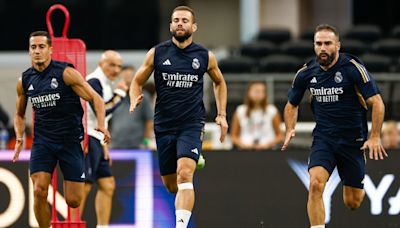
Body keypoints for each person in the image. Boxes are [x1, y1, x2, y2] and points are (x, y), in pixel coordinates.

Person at [129, 6, 228, 228]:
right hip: (164, 126)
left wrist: (222, 114)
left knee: (185, 175)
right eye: (176, 20)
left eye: (185, 20)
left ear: (193, 26)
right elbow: (136, 81)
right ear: (171, 26)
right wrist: (135, 96)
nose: (180, 23)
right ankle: (193, 159)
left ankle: (180, 225)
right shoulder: (157, 53)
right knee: (172, 185)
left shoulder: (204, 56)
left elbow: (219, 82)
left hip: (191, 124)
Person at [281, 24, 387, 228]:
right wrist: (289, 128)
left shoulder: (352, 68)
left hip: (353, 141)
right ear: (313, 46)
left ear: (338, 45)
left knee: (353, 202)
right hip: (324, 139)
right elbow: (291, 104)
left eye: (328, 43)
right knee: (314, 185)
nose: (323, 48)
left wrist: (374, 136)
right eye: (319, 43)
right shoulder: (306, 73)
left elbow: (377, 102)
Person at [13, 31, 110, 228]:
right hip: (43, 142)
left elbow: (96, 99)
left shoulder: (66, 73)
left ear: (50, 49)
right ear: (29, 51)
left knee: (73, 200)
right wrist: (19, 137)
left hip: (70, 141)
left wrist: (101, 124)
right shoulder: (24, 80)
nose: (37, 51)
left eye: (41, 47)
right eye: (33, 47)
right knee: (39, 190)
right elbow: (19, 114)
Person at [78, 50, 128, 227]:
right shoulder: (94, 81)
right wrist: (120, 95)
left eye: (119, 66)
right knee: (84, 186)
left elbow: (102, 119)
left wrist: (103, 145)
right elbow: (102, 109)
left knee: (107, 185)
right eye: (111, 65)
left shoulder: (105, 84)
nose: (116, 70)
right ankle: (73, 223)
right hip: (87, 137)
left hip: (96, 140)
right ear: (101, 64)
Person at [110, 66, 154, 149]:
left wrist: (146, 141)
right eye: (125, 78)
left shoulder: (142, 97)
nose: (128, 81)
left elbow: (149, 120)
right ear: (119, 78)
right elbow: (108, 120)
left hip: (137, 145)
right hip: (116, 145)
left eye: (130, 77)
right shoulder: (113, 98)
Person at [230, 81, 283, 150]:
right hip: (245, 151)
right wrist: (243, 145)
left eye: (260, 91)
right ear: (248, 93)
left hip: (268, 151)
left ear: (265, 94)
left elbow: (280, 135)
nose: (257, 94)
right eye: (255, 91)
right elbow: (233, 136)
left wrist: (267, 145)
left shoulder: (272, 110)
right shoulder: (240, 110)